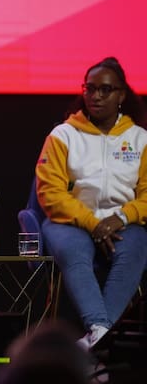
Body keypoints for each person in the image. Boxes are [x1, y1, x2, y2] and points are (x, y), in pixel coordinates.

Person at [36, 57, 147, 349]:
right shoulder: (63, 135)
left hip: (122, 221)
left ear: (121, 94)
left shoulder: (140, 139)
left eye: (105, 90)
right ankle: (102, 331)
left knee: (135, 249)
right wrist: (93, 223)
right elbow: (50, 193)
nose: (96, 96)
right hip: (69, 221)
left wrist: (121, 217)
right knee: (74, 251)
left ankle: (97, 334)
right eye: (90, 88)